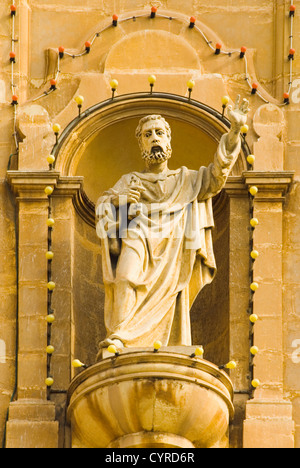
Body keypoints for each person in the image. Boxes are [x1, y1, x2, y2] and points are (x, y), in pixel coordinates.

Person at [96, 96, 249, 349]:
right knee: (123, 279)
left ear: (168, 140)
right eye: (147, 135)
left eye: (159, 133)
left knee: (171, 295)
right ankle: (120, 339)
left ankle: (163, 343)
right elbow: (103, 210)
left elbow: (217, 176)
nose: (154, 138)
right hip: (138, 238)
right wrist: (119, 200)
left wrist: (234, 132)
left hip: (174, 251)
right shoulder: (130, 180)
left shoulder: (187, 179)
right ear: (141, 143)